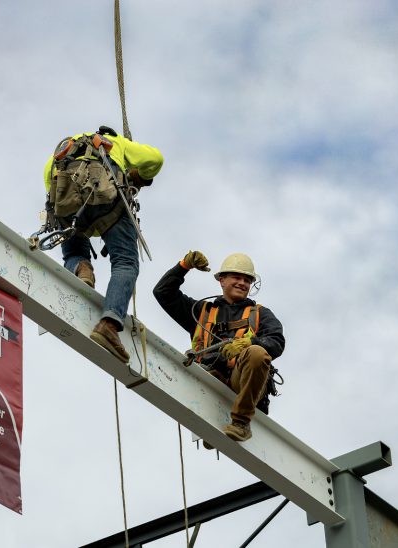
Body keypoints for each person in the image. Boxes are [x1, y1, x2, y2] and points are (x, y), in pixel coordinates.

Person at [42, 126, 163, 363]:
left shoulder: (62, 151)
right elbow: (155, 158)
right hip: (108, 204)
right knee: (125, 262)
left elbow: (49, 185)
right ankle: (109, 324)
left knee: (75, 251)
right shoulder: (114, 143)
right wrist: (141, 175)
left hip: (66, 206)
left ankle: (81, 267)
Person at [153, 251, 285, 442]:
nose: (242, 283)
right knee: (203, 372)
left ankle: (240, 423)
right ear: (221, 281)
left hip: (242, 383)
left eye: (247, 280)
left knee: (257, 353)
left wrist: (250, 343)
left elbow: (277, 341)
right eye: (237, 277)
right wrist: (184, 265)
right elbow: (163, 293)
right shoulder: (201, 312)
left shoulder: (260, 314)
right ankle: (212, 418)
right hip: (209, 379)